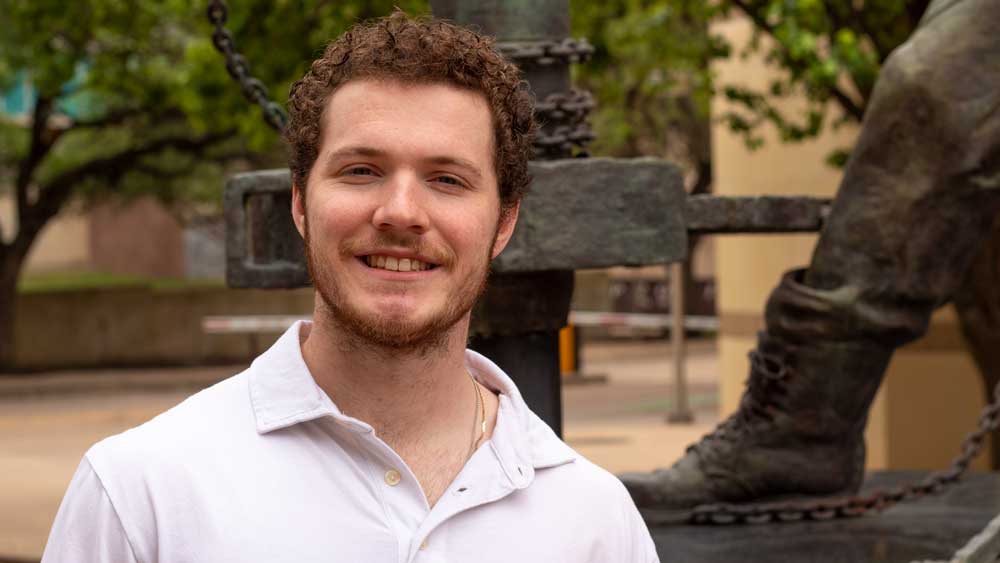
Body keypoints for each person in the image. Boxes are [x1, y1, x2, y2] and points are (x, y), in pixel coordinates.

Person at [41, 11, 658, 562]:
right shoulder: (139, 493)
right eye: (361, 170)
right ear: (301, 205)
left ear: (503, 223)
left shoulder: (594, 522)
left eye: (447, 179)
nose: (400, 211)